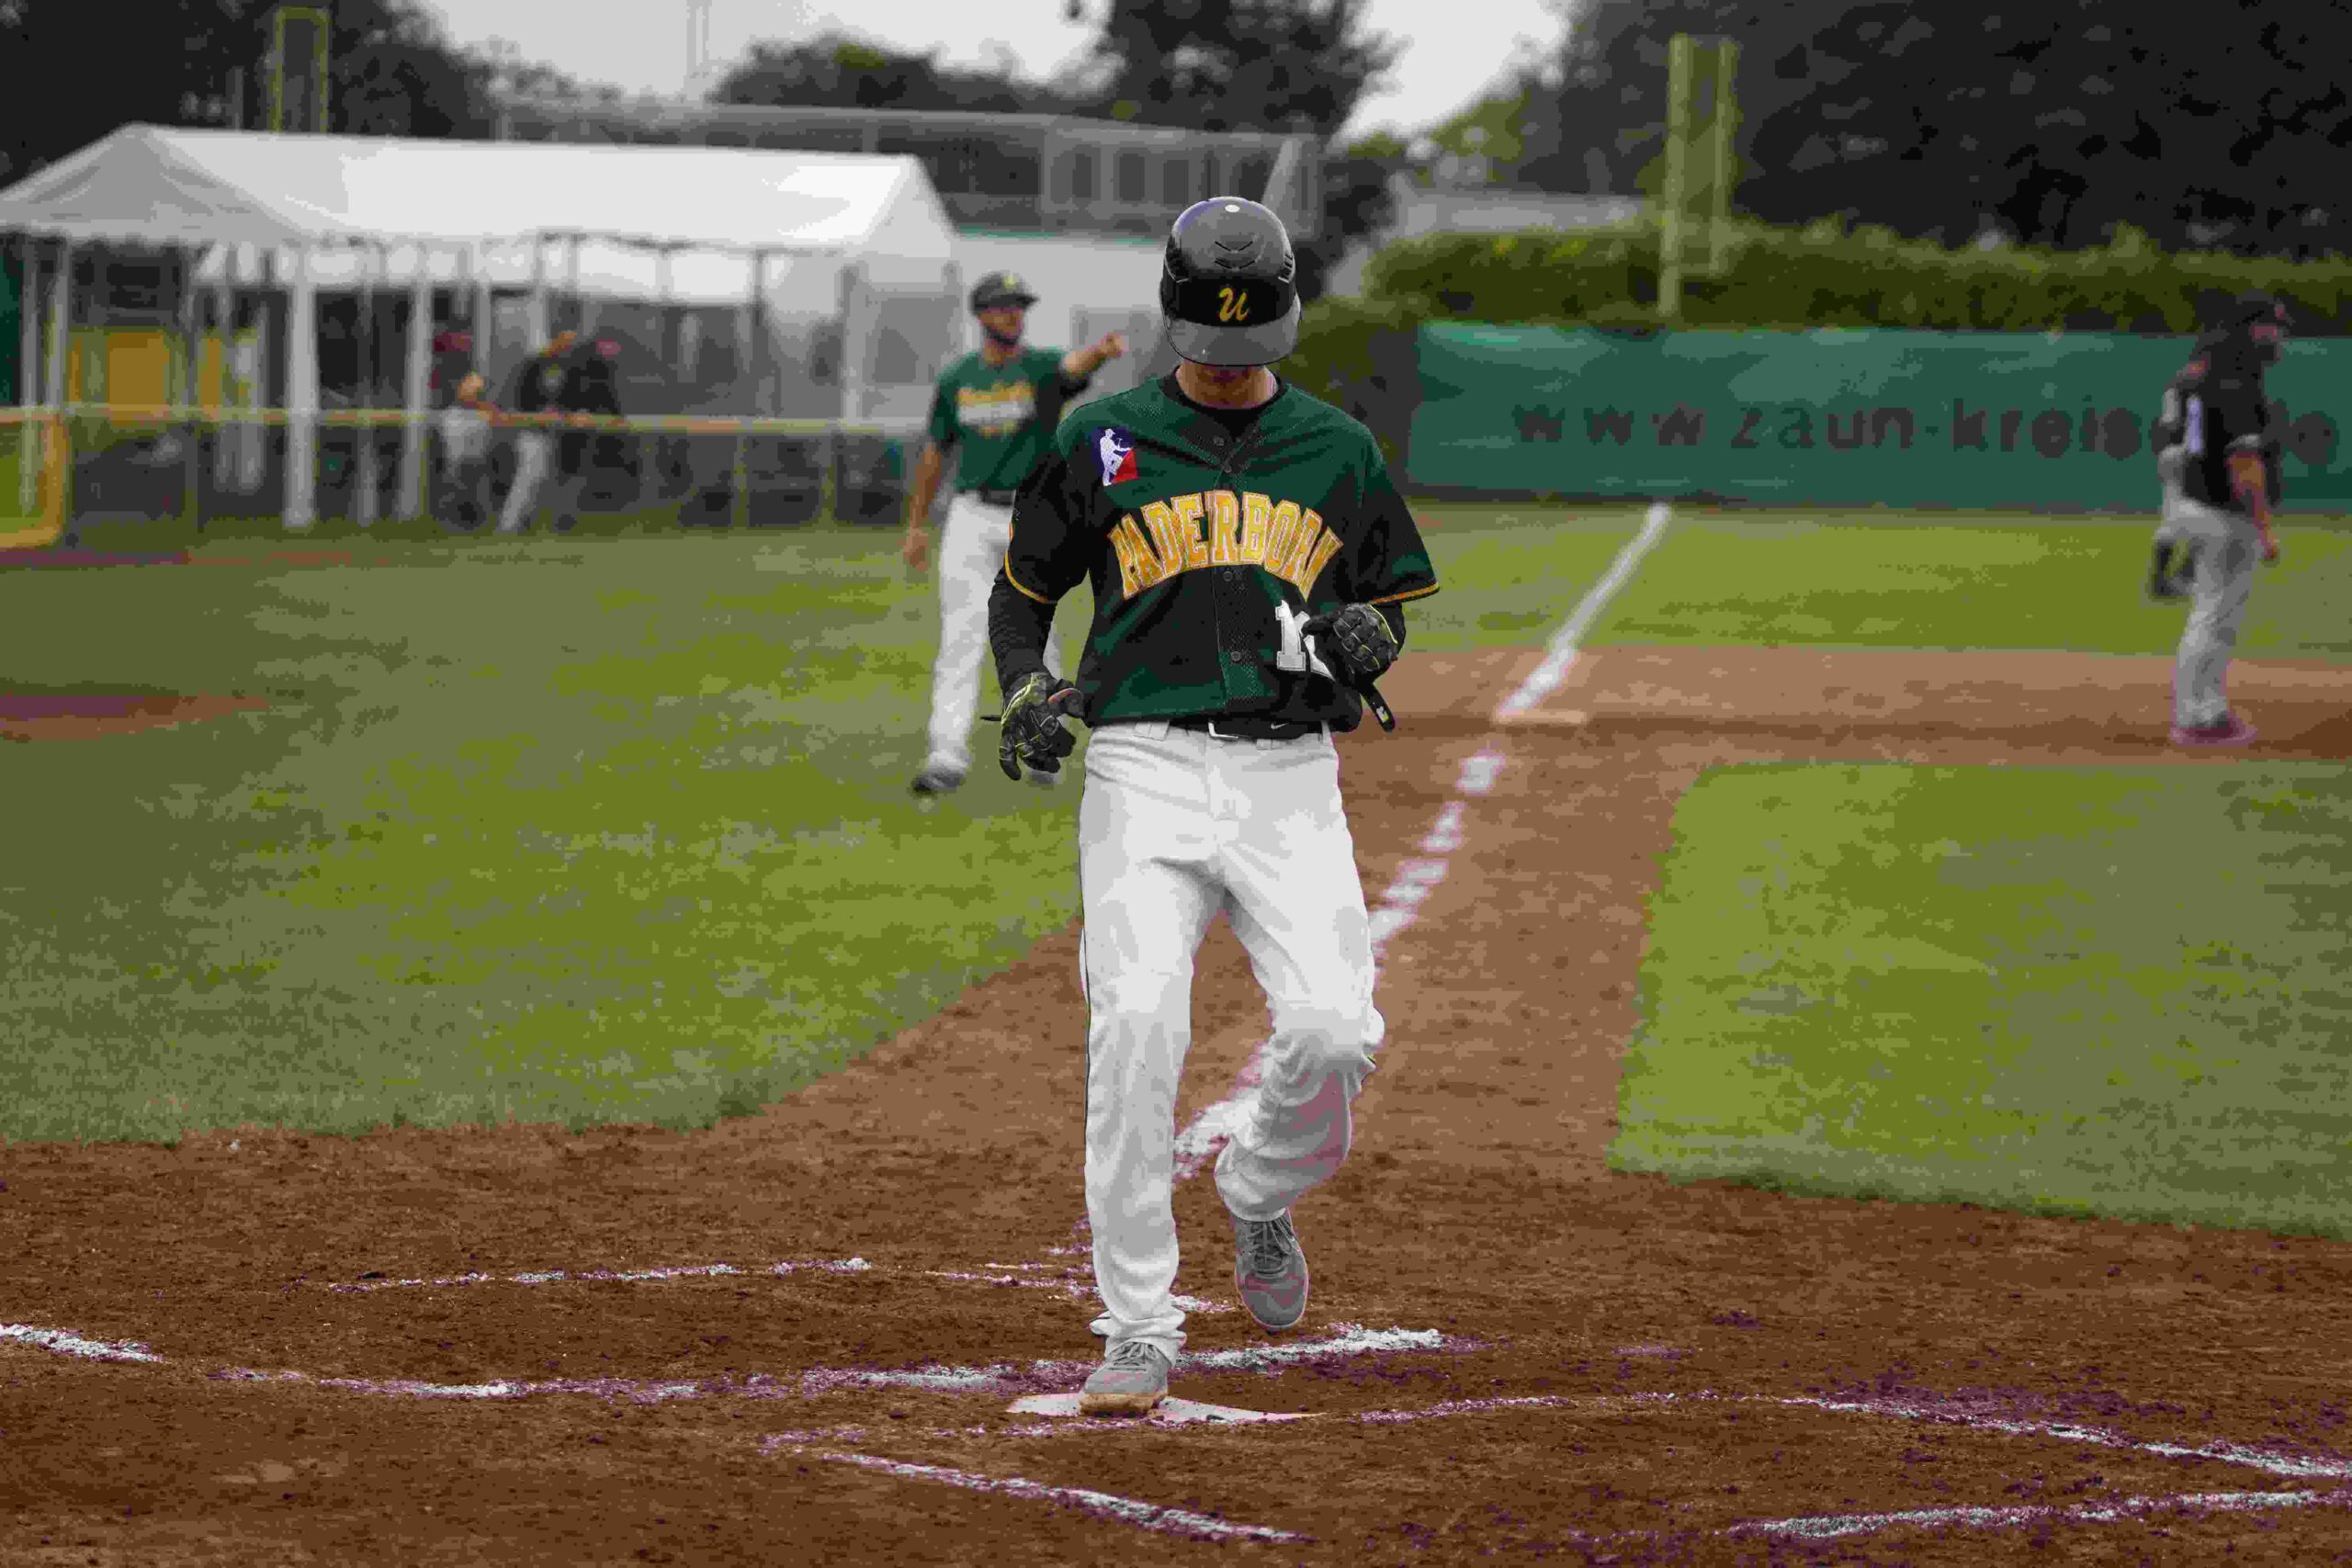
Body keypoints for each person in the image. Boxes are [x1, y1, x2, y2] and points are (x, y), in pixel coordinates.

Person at [987, 197, 1440, 1416]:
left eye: (1251, 346)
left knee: (1336, 1031)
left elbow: (1383, 608)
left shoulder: (1336, 449)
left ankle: (1257, 1187)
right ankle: (1137, 1325)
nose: (1231, 367)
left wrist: (1371, 635)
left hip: (1289, 776)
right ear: (1175, 318)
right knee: (1135, 1033)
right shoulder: (1102, 440)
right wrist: (1025, 684)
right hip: (1140, 766)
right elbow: (1024, 591)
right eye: (1212, 343)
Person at [900, 271, 1128, 798]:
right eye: (1002, 305)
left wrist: (1099, 353)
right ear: (980, 314)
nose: (1013, 313)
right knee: (961, 636)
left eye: (1019, 305)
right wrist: (916, 524)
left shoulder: (1039, 368)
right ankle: (946, 756)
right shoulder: (957, 378)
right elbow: (936, 452)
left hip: (1033, 517)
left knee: (1040, 638)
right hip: (970, 513)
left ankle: (1043, 746)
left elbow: (1073, 368)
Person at [2148, 291, 2289, 746]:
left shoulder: (2206, 372)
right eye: (2274, 328)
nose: (2280, 337)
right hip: (2223, 513)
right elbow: (2244, 462)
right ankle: (2195, 717)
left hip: (2196, 503)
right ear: (2253, 329)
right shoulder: (2236, 382)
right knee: (2214, 618)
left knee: (2214, 617)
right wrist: (2264, 528)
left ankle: (2207, 710)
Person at [496, 328, 615, 536]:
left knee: (541, 478)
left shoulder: (567, 367)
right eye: (566, 341)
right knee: (528, 477)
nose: (568, 347)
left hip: (554, 434)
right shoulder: (534, 365)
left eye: (571, 343)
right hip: (532, 431)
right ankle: (508, 525)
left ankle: (526, 523)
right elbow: (522, 399)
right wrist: (540, 412)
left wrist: (572, 412)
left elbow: (568, 399)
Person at [435, 370, 497, 532]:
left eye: (477, 389)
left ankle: (475, 522)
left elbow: (485, 443)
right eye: (470, 386)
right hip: (457, 466)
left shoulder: (485, 414)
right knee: (456, 488)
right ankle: (452, 521)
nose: (473, 392)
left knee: (473, 490)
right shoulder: (450, 415)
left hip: (476, 465)